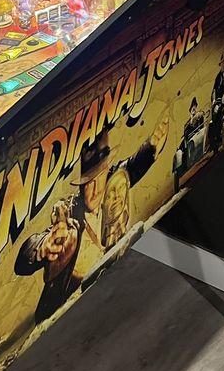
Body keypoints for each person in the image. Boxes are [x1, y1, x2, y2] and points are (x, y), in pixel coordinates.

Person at [14, 130, 161, 322]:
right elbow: (24, 260)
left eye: (101, 176)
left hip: (111, 291)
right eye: (89, 181)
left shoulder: (111, 188)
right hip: (68, 316)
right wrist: (42, 247)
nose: (96, 189)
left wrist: (151, 147)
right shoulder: (70, 214)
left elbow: (132, 166)